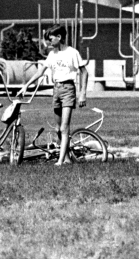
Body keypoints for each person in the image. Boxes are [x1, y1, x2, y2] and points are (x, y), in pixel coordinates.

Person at [20, 25, 88, 166]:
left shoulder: (72, 52)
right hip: (56, 89)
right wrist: (26, 86)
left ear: (59, 37)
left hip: (68, 89)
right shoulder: (52, 54)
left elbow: (84, 72)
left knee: (64, 127)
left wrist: (82, 94)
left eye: (50, 39)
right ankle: (67, 158)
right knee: (58, 129)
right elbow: (40, 72)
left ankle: (60, 161)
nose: (49, 42)